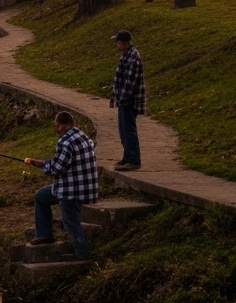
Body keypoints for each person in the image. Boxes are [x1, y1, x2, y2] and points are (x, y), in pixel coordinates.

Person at [23, 111, 98, 259]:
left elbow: (56, 169)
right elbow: (62, 163)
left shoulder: (65, 142)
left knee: (72, 224)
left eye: (56, 125)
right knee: (41, 196)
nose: (56, 128)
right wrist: (36, 162)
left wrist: (37, 164)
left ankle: (84, 257)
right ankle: (44, 234)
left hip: (71, 191)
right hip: (85, 188)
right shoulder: (83, 137)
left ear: (61, 125)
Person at [108, 29, 145, 170]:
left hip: (128, 101)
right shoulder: (126, 55)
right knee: (123, 130)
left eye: (118, 42)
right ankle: (127, 156)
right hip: (123, 101)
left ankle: (134, 160)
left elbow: (130, 83)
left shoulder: (132, 57)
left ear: (124, 43)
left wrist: (122, 98)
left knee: (129, 130)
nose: (117, 45)